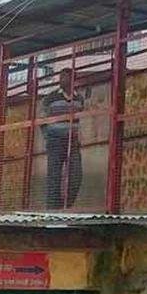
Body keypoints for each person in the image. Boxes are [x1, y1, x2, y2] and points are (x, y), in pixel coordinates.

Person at [41, 69, 84, 209]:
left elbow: (79, 119)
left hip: (72, 141)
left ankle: (65, 205)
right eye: (61, 77)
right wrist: (47, 136)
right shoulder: (51, 97)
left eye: (65, 77)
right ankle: (52, 209)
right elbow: (41, 119)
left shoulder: (79, 99)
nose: (61, 80)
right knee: (54, 176)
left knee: (76, 175)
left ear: (72, 80)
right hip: (55, 140)